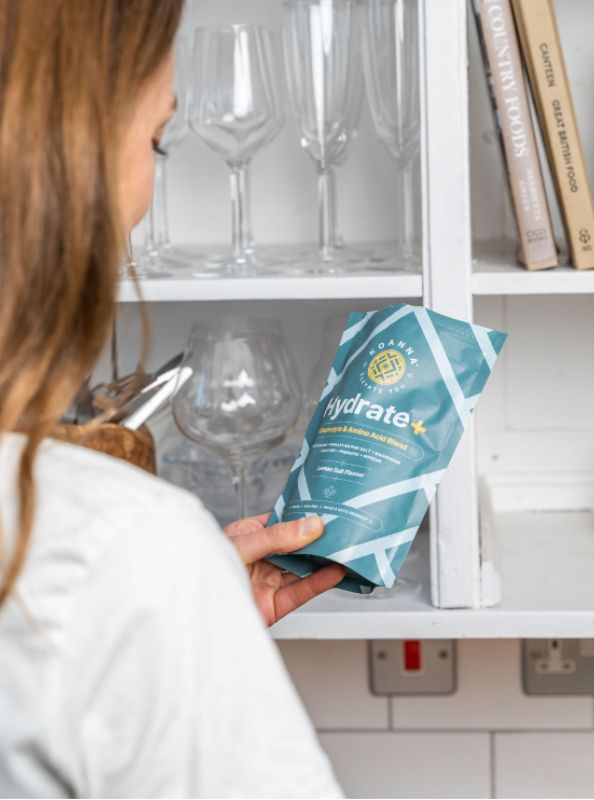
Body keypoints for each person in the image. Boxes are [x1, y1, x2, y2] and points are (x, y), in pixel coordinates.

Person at [0, 1, 346, 796]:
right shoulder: (120, 549)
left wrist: (187, 622)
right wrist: (173, 621)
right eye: (156, 138)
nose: (145, 190)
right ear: (58, 157)